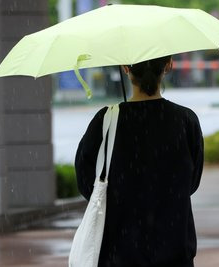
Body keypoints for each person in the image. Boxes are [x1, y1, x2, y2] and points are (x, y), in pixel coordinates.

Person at [75, 55, 204, 267]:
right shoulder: (186, 121)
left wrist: (123, 198)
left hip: (118, 252)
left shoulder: (105, 122)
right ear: (168, 65)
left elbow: (85, 179)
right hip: (175, 250)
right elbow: (192, 182)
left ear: (125, 68)